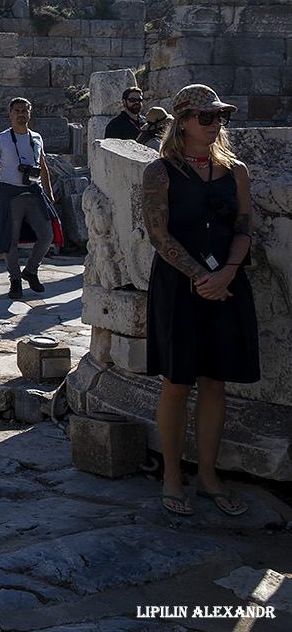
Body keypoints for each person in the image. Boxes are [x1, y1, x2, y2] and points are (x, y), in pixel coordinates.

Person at [141, 84, 257, 518]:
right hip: (180, 288)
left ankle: (208, 476)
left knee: (215, 382)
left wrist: (226, 272)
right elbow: (158, 233)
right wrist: (200, 276)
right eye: (206, 117)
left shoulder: (236, 171)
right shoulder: (160, 172)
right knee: (177, 382)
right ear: (183, 121)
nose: (214, 124)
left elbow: (244, 228)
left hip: (226, 284)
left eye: (220, 117)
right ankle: (173, 476)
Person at [0, 97, 57, 299]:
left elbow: (43, 167)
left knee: (47, 235)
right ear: (10, 114)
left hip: (34, 192)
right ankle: (15, 280)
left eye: (24, 111)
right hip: (11, 192)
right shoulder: (2, 138)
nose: (21, 114)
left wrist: (49, 193)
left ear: (29, 114)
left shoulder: (37, 138)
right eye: (17, 111)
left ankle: (31, 270)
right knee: (10, 238)